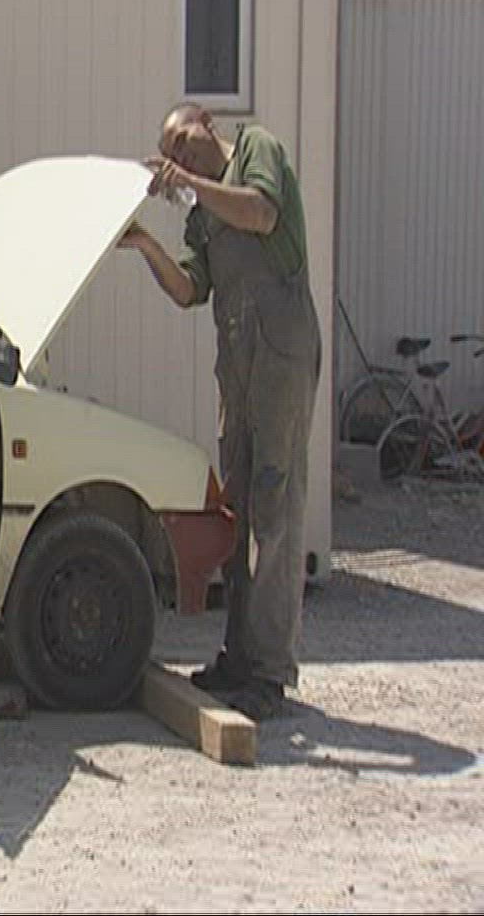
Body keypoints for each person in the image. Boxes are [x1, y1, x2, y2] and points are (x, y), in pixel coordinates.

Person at [117, 103, 320, 721]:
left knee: (275, 510)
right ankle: (239, 656)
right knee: (236, 512)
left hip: (280, 356)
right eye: (169, 154)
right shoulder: (202, 215)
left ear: (207, 123)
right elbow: (189, 290)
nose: (177, 157)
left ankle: (270, 672)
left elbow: (260, 212)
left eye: (181, 141)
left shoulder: (256, 150)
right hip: (238, 364)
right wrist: (146, 244)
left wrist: (187, 183)